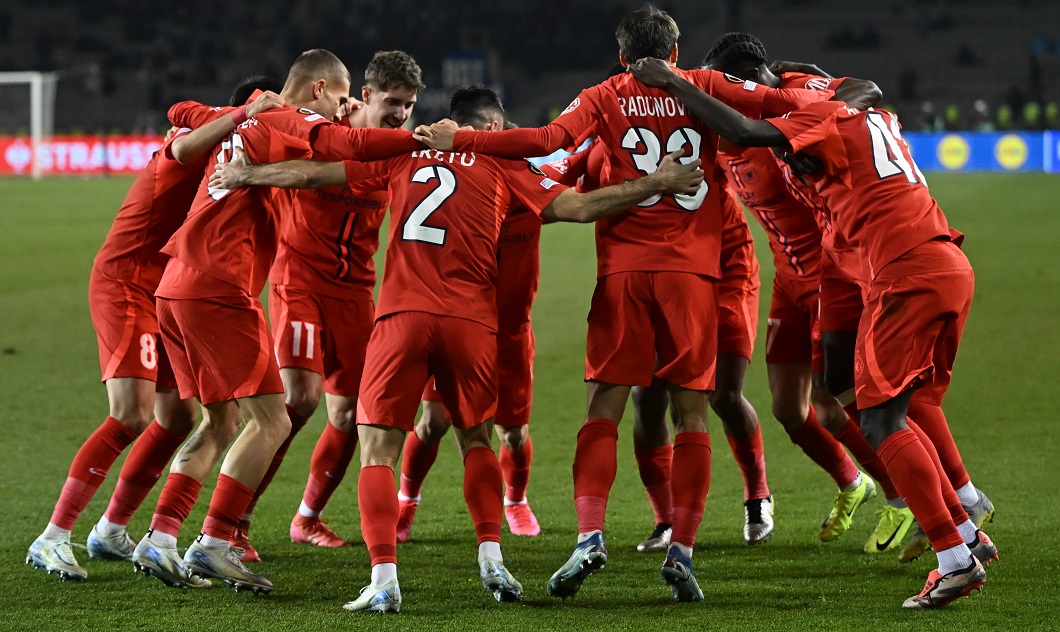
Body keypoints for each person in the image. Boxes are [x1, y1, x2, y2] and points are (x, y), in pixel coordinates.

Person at [209, 84, 704, 613]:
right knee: (477, 441)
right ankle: (492, 557)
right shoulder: (503, 166)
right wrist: (659, 180)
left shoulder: (403, 153)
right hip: (471, 322)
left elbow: (314, 173)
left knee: (378, 450)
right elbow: (580, 208)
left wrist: (247, 175)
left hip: (402, 316)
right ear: (487, 128)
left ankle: (383, 580)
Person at [413, 6, 831, 602]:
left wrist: (466, 138)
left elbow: (545, 141)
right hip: (692, 277)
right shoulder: (705, 86)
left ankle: (589, 537)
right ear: (677, 48)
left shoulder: (604, 94)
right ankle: (683, 550)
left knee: (603, 411)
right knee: (692, 415)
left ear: (621, 52)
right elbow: (777, 104)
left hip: (623, 275)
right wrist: (829, 91)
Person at [629, 56, 998, 610]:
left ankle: (953, 546)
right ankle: (965, 527)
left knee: (878, 414)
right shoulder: (863, 112)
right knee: (861, 399)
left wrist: (676, 82)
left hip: (893, 270)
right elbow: (860, 88)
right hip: (929, 261)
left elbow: (750, 127)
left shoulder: (815, 117)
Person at [129, 49, 421, 593]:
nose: (343, 107)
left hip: (179, 282)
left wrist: (238, 113)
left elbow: (181, 109)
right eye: (338, 97)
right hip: (218, 283)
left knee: (221, 423)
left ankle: (162, 538)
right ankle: (215, 541)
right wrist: (419, 141)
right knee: (276, 419)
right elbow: (347, 144)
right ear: (317, 91)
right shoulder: (294, 120)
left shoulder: (254, 119)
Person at [25, 80, 284, 582]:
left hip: (170, 287)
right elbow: (183, 115)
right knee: (129, 414)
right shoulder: (184, 150)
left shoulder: (227, 161)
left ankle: (112, 528)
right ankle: (52, 536)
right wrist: (231, 116)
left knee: (177, 418)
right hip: (127, 283)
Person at [700, 32, 914, 554]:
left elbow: (851, 94)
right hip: (787, 282)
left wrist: (803, 85)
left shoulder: (784, 128)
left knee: (833, 401)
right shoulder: (726, 136)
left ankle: (902, 499)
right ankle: (853, 482)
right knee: (787, 409)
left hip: (830, 276)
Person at [233, 50, 425, 561]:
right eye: (392, 102)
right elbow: (271, 127)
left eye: (408, 105)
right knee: (299, 399)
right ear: (364, 95)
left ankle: (307, 517)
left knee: (353, 412)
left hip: (356, 292)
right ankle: (235, 521)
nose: (401, 114)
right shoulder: (321, 128)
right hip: (299, 281)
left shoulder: (397, 149)